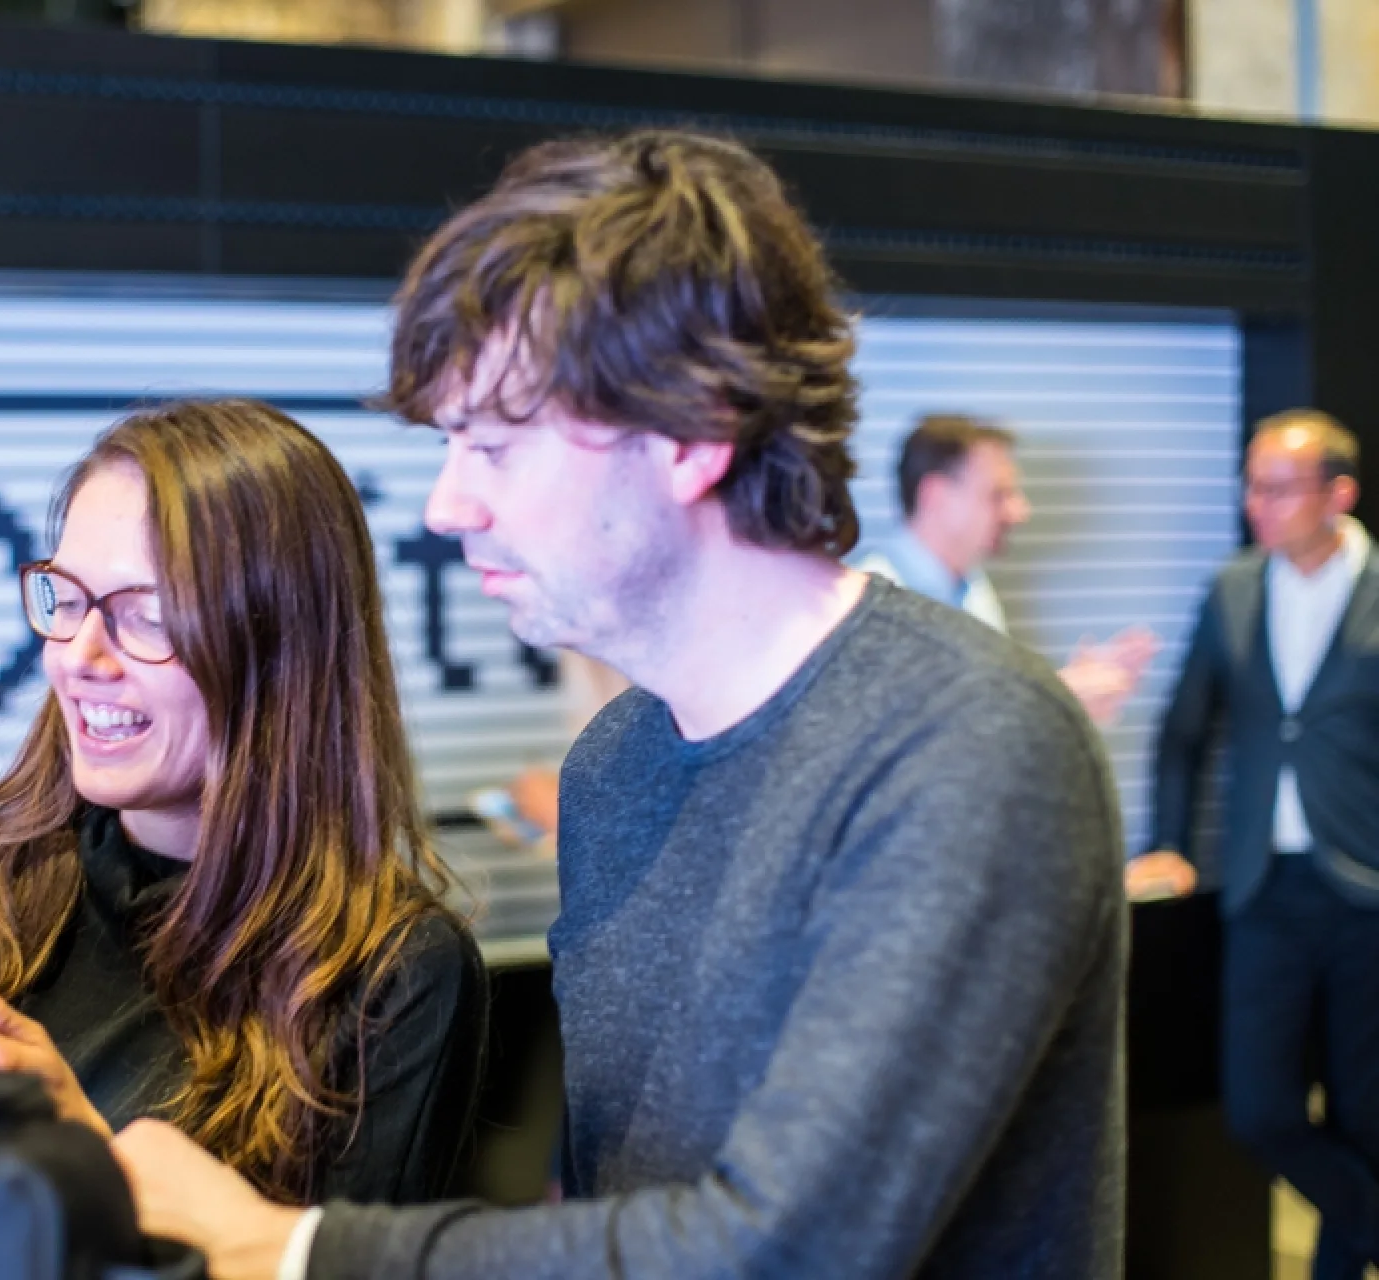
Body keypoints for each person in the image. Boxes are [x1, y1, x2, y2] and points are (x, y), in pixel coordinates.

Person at [107, 130, 1128, 1279]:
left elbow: (789, 1248)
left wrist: (284, 1245)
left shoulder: (965, 744)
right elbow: (615, 1203)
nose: (448, 505)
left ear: (691, 434)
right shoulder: (615, 763)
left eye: (493, 444)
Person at [0, 399, 487, 1207]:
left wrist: (83, 1157)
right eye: (68, 600)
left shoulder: (389, 976)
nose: (79, 658)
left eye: (146, 615)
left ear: (283, 647)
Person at [1128, 410, 1379, 1279]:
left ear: (1338, 494)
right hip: (1264, 892)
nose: (1256, 506)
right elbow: (1183, 732)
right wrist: (1167, 841)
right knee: (1259, 1110)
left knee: (1364, 1116)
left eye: (1277, 488)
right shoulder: (1235, 588)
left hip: (1367, 894)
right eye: (1251, 486)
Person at [857, 413, 1158, 726]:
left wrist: (1071, 701)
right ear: (936, 495)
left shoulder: (972, 588)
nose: (1019, 512)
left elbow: (982, 719)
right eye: (998, 495)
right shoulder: (869, 609)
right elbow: (908, 742)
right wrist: (1053, 700)